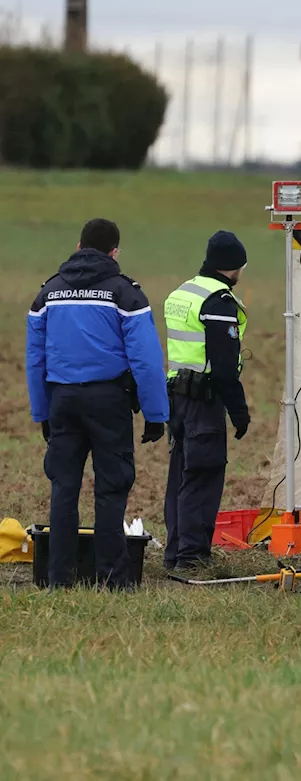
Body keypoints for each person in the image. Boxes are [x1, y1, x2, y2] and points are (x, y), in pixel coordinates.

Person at [25, 218, 169, 590]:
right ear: (114, 252)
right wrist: (155, 414)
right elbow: (146, 360)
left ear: (78, 246)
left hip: (62, 400)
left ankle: (58, 579)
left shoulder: (48, 293)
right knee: (110, 488)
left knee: (63, 487)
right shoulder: (125, 294)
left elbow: (35, 359)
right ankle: (114, 580)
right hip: (108, 401)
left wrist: (42, 410)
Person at [162, 231, 251, 571]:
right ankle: (192, 557)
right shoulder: (218, 302)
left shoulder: (183, 292)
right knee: (203, 473)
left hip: (177, 399)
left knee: (181, 476)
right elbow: (225, 368)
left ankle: (174, 553)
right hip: (203, 402)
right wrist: (238, 411)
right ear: (235, 268)